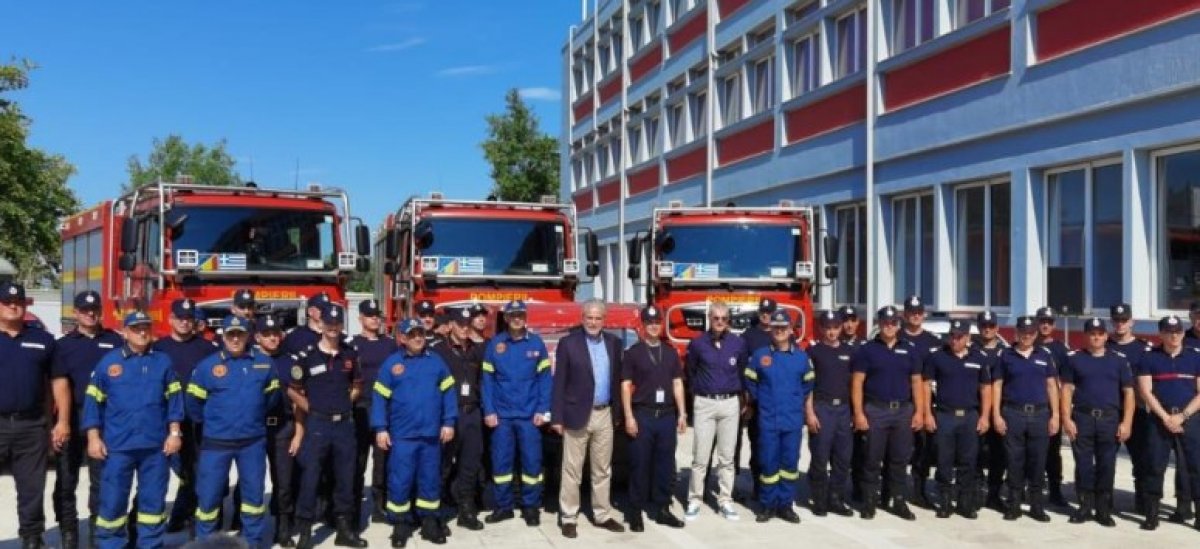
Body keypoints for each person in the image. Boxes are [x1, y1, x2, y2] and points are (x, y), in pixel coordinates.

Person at [82, 310, 184, 549]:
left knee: (153, 504)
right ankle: (111, 544)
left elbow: (175, 401)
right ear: (125, 332)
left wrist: (174, 433)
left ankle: (149, 544)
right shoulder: (109, 363)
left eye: (145, 328)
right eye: (136, 328)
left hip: (156, 447)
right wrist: (93, 437)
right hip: (118, 447)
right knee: (113, 503)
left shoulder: (163, 361)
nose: (141, 332)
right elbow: (92, 402)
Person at [188, 315, 282, 547]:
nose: (236, 339)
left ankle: (253, 542)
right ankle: (205, 543)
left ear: (248, 335)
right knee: (208, 500)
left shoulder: (264, 363)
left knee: (253, 498)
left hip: (252, 442)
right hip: (216, 443)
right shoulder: (207, 366)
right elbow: (193, 404)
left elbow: (272, 398)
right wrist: (215, 424)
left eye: (240, 334)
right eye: (231, 334)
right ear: (223, 336)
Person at [372, 319, 457, 547]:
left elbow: (449, 392)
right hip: (402, 436)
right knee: (400, 481)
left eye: (420, 333)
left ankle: (429, 522)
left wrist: (449, 422)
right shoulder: (392, 364)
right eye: (412, 334)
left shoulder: (436, 361)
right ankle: (400, 525)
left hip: (431, 435)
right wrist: (380, 428)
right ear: (402, 338)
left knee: (430, 480)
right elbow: (379, 398)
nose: (418, 338)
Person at [290, 304, 368, 548]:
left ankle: (344, 530)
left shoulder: (350, 354)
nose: (333, 327)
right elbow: (293, 390)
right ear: (320, 324)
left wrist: (346, 403)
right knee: (311, 478)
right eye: (329, 323)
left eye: (337, 323)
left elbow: (357, 386)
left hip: (344, 426)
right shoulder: (306, 356)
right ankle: (304, 531)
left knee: (345, 479)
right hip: (317, 426)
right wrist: (311, 408)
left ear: (341, 325)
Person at [52, 291, 122, 549]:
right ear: (75, 313)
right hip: (73, 417)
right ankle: (69, 535)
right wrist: (60, 422)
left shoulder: (115, 342)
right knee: (66, 481)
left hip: (105, 421)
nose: (90, 314)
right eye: (84, 310)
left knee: (101, 481)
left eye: (94, 309)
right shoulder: (63, 345)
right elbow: (56, 385)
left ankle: (96, 534)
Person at [551, 299, 626, 538]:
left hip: (604, 413)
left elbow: (616, 380)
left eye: (598, 318)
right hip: (576, 414)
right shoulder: (568, 343)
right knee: (572, 469)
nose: (593, 322)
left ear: (605, 320)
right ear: (582, 318)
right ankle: (569, 517)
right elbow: (559, 382)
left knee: (602, 469)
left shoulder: (614, 343)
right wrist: (557, 417)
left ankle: (602, 514)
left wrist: (617, 414)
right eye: (589, 317)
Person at [0, 281, 63, 549]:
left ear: (26, 305)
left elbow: (56, 384)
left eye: (18, 302)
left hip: (31, 425)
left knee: (31, 488)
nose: (13, 306)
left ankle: (32, 537)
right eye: (7, 302)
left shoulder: (43, 340)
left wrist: (59, 423)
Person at [481, 300, 552, 526]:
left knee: (532, 464)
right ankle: (504, 507)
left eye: (520, 314)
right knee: (501, 464)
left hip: (530, 416)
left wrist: (543, 409)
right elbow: (487, 381)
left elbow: (545, 381)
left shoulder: (537, 344)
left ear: (525, 317)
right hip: (501, 417)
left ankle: (531, 507)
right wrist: (489, 410)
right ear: (507, 318)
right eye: (513, 315)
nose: (517, 318)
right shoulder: (495, 344)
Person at [1060, 317, 1134, 527]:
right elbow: (1066, 390)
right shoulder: (1074, 359)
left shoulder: (1118, 360)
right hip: (1082, 418)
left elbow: (1128, 393)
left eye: (1100, 333)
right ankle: (1084, 507)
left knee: (1106, 465)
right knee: (1083, 465)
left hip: (1109, 420)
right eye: (1092, 333)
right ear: (1085, 336)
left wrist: (1126, 422)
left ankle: (1103, 509)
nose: (1096, 337)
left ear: (1105, 335)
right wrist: (1066, 418)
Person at [155, 299, 221, 535]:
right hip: (164, 421)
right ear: (170, 319)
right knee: (159, 474)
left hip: (198, 422)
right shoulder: (158, 349)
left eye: (188, 318)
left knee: (196, 472)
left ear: (194, 321)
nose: (184, 322)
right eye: (179, 318)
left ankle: (188, 518)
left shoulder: (208, 349)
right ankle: (145, 522)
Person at [851, 305, 923, 520]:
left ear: (898, 325)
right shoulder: (867, 350)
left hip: (902, 411)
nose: (889, 326)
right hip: (876, 410)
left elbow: (917, 382)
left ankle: (897, 500)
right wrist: (859, 414)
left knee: (899, 460)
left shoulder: (910, 349)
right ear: (879, 324)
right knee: (872, 459)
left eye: (893, 323)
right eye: (885, 323)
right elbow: (857, 383)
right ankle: (869, 501)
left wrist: (919, 412)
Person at [621, 306, 686, 531]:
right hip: (643, 414)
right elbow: (626, 386)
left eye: (657, 322)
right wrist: (629, 416)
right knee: (639, 465)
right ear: (642, 325)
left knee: (665, 466)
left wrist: (682, 413)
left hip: (667, 415)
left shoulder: (670, 352)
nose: (653, 326)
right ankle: (635, 510)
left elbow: (677, 384)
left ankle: (662, 508)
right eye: (649, 322)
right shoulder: (632, 353)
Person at [745, 310, 812, 524]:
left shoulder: (801, 357)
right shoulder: (760, 355)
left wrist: (794, 401)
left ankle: (785, 505)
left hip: (792, 421)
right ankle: (767, 505)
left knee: (790, 465)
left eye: (784, 327)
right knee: (768, 465)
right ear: (771, 329)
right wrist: (762, 401)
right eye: (776, 327)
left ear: (791, 330)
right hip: (768, 421)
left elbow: (808, 384)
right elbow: (750, 382)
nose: (780, 331)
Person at [1135, 315, 1200, 531]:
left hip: (1189, 420)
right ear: (1161, 334)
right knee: (1154, 466)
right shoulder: (1149, 358)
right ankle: (1151, 515)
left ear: (1183, 332)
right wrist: (1166, 417)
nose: (1174, 335)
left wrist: (1182, 416)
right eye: (1169, 331)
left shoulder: (1195, 357)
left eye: (1178, 331)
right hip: (1158, 420)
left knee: (1195, 467)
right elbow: (1145, 391)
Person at [684, 301, 748, 521]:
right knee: (700, 456)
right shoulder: (697, 344)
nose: (719, 322)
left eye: (723, 318)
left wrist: (742, 401)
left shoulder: (738, 344)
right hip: (705, 403)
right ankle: (694, 499)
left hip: (730, 403)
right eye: (715, 318)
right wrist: (699, 396)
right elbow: (690, 372)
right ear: (709, 319)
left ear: (728, 320)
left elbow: (742, 372)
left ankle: (725, 500)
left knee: (727, 457)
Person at [922, 319, 992, 519]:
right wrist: (928, 413)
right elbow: (926, 385)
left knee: (968, 461)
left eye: (959, 336)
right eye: (952, 335)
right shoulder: (938, 357)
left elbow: (986, 389)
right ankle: (944, 500)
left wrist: (985, 416)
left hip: (970, 416)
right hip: (945, 416)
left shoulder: (979, 358)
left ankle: (965, 502)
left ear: (968, 338)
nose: (955, 340)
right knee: (944, 460)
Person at [993, 316, 1059, 522]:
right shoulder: (1005, 355)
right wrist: (996, 414)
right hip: (1013, 413)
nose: (1027, 336)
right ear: (1016, 333)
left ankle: (1036, 505)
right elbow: (997, 385)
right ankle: (1014, 504)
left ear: (1036, 334)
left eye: (1030, 333)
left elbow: (1051, 386)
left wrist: (1055, 415)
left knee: (1038, 460)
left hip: (1040, 414)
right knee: (1014, 460)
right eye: (1023, 332)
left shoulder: (1044, 355)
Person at [430, 307, 486, 531]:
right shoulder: (437, 351)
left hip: (472, 413)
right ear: (450, 325)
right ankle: (437, 512)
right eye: (460, 324)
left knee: (470, 465)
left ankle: (466, 510)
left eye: (467, 324)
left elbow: (485, 380)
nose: (464, 328)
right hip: (447, 415)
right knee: (441, 466)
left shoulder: (477, 350)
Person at [257, 315, 304, 547]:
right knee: (253, 483)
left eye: (276, 333)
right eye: (267, 334)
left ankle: (283, 530)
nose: (273, 338)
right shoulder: (248, 360)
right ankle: (251, 529)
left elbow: (299, 401)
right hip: (254, 430)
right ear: (257, 337)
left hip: (284, 428)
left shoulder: (291, 362)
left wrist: (298, 432)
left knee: (283, 483)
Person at [1105, 303, 1156, 516]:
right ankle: (1104, 503)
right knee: (1106, 459)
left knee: (1143, 460)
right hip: (1110, 410)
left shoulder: (1144, 349)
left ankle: (1143, 502)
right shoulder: (1103, 346)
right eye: (1116, 320)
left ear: (1132, 322)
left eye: (1124, 320)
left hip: (1138, 412)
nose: (1120, 324)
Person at [352, 299, 398, 526]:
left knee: (383, 462)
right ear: (360, 318)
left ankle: (380, 505)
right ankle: (354, 506)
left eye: (377, 315)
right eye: (370, 315)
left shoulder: (390, 345)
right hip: (360, 409)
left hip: (385, 410)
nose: (375, 319)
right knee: (357, 461)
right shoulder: (351, 344)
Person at [805, 310, 855, 517]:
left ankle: (836, 498)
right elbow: (807, 386)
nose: (832, 332)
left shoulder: (849, 351)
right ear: (821, 328)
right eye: (828, 328)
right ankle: (819, 499)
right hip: (822, 408)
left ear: (841, 327)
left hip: (843, 409)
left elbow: (854, 384)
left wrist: (854, 411)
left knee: (842, 458)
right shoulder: (813, 352)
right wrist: (809, 413)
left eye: (835, 327)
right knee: (820, 456)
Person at [898, 296, 941, 509]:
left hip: (927, 404)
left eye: (919, 311)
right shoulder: (893, 337)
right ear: (904, 314)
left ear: (924, 314)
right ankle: (893, 491)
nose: (915, 315)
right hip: (901, 402)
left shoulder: (934, 342)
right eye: (911, 311)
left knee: (924, 449)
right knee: (898, 450)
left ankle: (919, 490)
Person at [971, 311, 1008, 511]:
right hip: (976, 409)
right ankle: (976, 491)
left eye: (991, 325)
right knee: (974, 453)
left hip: (1000, 411)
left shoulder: (1006, 351)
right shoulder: (971, 349)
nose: (987, 329)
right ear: (978, 327)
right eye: (984, 325)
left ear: (997, 328)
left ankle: (994, 494)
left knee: (999, 454)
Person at [1034, 306, 1070, 507]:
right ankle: (1029, 487)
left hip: (1051, 408)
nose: (1045, 325)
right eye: (1042, 321)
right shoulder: (1026, 344)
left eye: (1048, 321)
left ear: (1054, 324)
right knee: (1030, 451)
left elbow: (1066, 384)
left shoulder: (1061, 350)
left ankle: (1055, 490)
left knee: (1052, 452)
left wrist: (1062, 413)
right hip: (1030, 405)